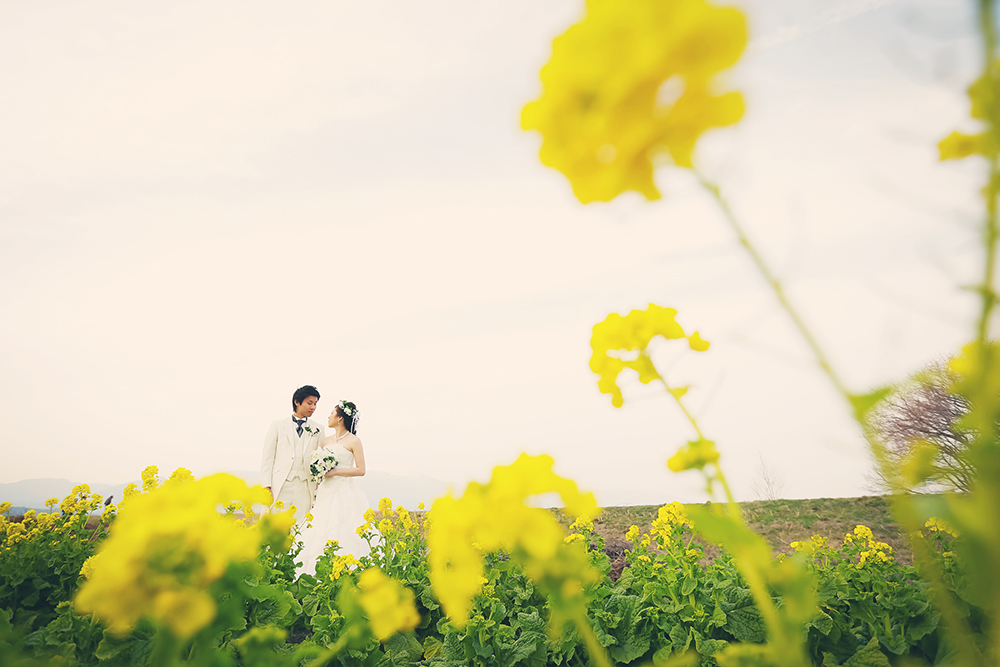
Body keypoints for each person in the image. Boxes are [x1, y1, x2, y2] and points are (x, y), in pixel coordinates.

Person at [297, 400, 370, 577]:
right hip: (325, 491)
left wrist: (336, 471)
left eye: (332, 413)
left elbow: (361, 470)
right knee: (319, 529)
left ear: (340, 418)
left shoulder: (354, 441)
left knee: (343, 527)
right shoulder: (326, 441)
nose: (329, 416)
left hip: (344, 491)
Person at [260, 385, 326, 522]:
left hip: (305, 487)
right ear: (297, 402)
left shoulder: (318, 429)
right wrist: (266, 486)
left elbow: (321, 459)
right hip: (281, 484)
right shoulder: (277, 425)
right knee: (275, 525)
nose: (313, 407)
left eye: (315, 404)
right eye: (309, 403)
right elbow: (267, 457)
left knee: (301, 527)